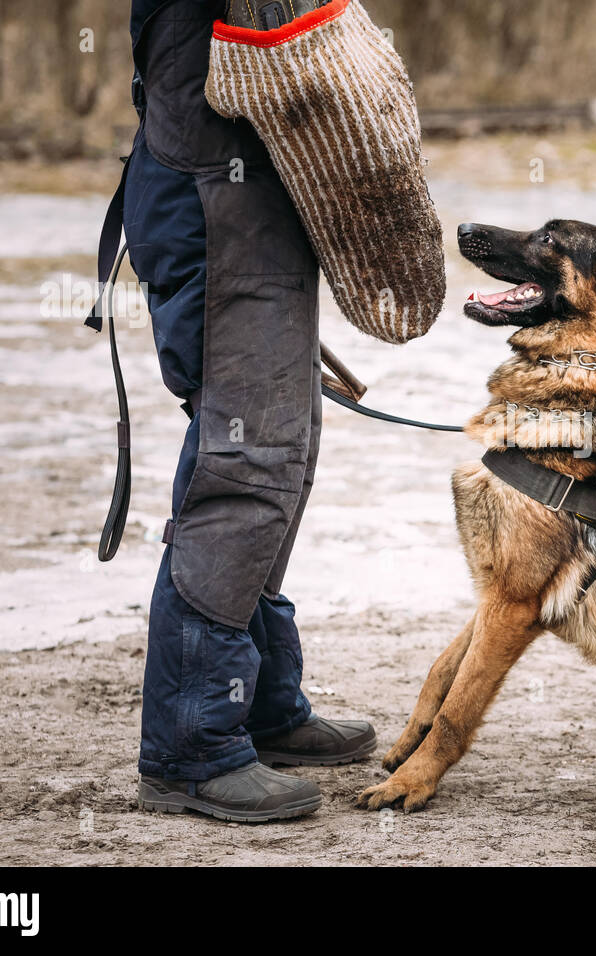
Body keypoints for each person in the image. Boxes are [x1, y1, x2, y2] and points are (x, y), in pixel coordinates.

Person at [113, 0, 375, 823]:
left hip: (252, 205)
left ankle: (261, 705)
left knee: (284, 458)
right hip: (212, 210)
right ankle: (193, 746)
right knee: (245, 470)